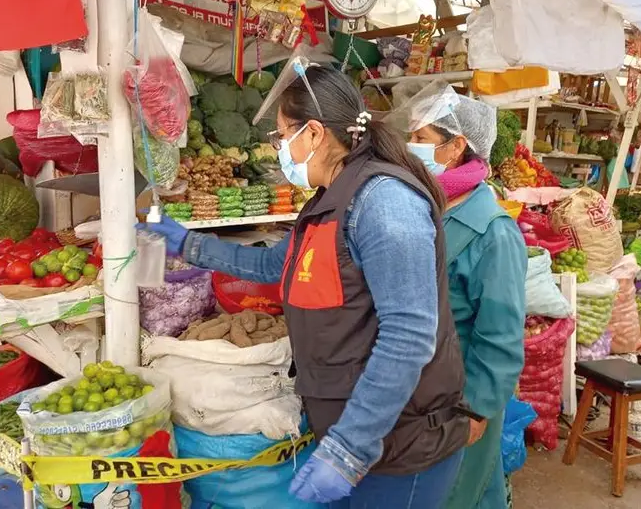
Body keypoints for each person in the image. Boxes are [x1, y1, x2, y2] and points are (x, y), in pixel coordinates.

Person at [142, 64, 471, 508]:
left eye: (281, 137)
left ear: (314, 133)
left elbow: (408, 338)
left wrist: (348, 448)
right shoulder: (326, 200)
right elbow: (273, 264)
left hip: (401, 443)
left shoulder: (383, 203)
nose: (279, 150)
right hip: (348, 428)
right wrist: (189, 244)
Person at [406, 90, 527, 509]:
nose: (411, 147)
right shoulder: (426, 206)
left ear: (456, 147)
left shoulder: (493, 231)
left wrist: (476, 409)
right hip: (419, 392)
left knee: (460, 492)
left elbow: (502, 335)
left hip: (459, 398)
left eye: (420, 137)